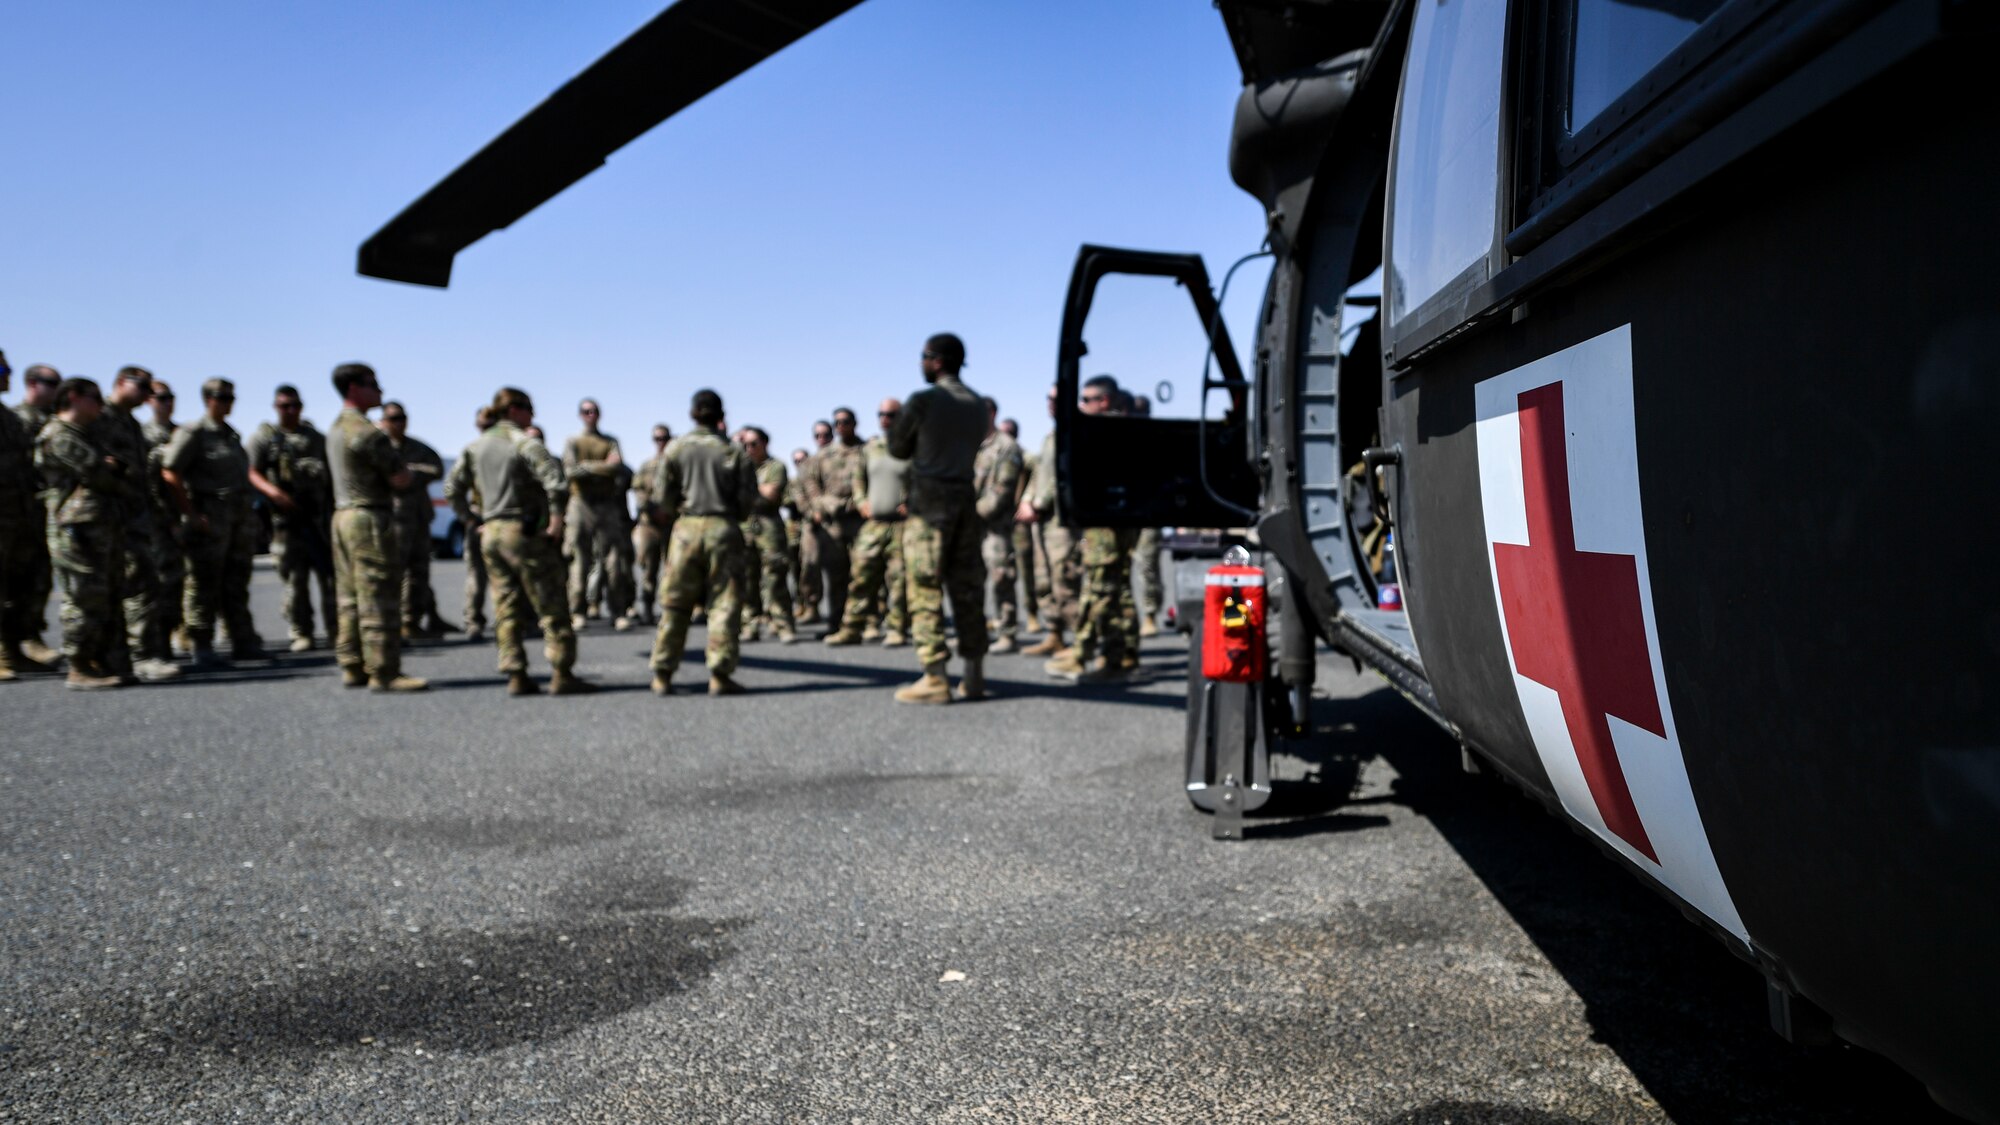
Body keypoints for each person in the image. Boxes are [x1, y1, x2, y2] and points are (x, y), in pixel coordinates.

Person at [452, 388, 594, 695]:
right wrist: (556, 520)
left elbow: (453, 488)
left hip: (491, 532)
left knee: (506, 604)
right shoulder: (523, 443)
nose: (533, 415)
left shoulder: (476, 446)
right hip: (523, 532)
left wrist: (472, 520)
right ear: (514, 410)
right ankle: (561, 672)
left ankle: (515, 672)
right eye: (529, 408)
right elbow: (556, 481)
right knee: (551, 602)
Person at [887, 333, 988, 704]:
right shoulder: (977, 404)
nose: (921, 363)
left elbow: (898, 448)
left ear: (937, 360)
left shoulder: (925, 400)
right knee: (968, 591)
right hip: (965, 501)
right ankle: (974, 675)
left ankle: (934, 677)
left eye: (924, 357)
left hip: (930, 505)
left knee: (925, 589)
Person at [648, 389, 755, 697]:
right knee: (724, 603)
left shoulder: (675, 449)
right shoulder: (734, 452)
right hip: (723, 529)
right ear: (721, 416)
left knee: (676, 603)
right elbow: (746, 503)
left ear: (693, 413)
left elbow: (663, 499)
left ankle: (663, 672)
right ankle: (720, 675)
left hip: (686, 530)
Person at [325, 364, 425, 693]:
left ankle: (352, 663)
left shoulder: (336, 428)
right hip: (368, 516)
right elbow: (400, 478)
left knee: (349, 595)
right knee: (378, 593)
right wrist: (412, 475)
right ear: (354, 388)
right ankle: (384, 670)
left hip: (342, 515)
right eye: (373, 385)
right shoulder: (368, 433)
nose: (380, 391)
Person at [34, 377, 129, 690]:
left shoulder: (84, 434)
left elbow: (113, 469)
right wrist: (108, 467)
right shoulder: (58, 435)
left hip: (98, 527)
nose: (100, 405)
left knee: (105, 594)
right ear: (72, 397)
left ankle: (98, 660)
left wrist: (111, 466)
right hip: (74, 531)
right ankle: (78, 666)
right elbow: (98, 473)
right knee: (82, 596)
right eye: (94, 398)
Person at [162, 378, 263, 663]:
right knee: (204, 584)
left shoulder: (229, 434)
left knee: (236, 582)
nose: (228, 402)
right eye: (221, 397)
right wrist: (190, 513)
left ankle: (243, 641)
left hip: (237, 519)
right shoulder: (193, 432)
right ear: (208, 399)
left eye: (231, 397)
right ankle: (201, 643)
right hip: (210, 517)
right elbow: (170, 472)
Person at [1046, 375, 1139, 684]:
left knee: (1099, 590)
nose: (1080, 406)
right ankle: (1122, 654)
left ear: (1104, 402)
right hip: (1113, 523)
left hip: (1106, 526)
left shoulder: (1106, 432)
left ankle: (1085, 655)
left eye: (1086, 400)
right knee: (1116, 591)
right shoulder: (1125, 430)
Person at [97, 367, 180, 681]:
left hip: (138, 517)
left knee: (144, 584)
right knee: (136, 586)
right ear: (120, 383)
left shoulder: (129, 423)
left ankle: (131, 655)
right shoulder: (101, 419)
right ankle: (141, 656)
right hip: (115, 518)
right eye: (142, 387)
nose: (148, 395)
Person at [246, 384, 335, 652]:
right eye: (285, 406)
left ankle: (336, 630)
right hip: (285, 522)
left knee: (329, 579)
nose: (291, 411)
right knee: (295, 582)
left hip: (317, 519)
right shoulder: (264, 439)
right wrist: (275, 493)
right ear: (276, 408)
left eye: (295, 405)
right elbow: (250, 471)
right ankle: (301, 631)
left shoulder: (316, 439)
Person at [824, 399, 910, 647]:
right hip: (873, 524)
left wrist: (913, 502)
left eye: (891, 415)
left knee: (899, 580)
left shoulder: (912, 447)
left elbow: (924, 480)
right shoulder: (871, 449)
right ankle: (851, 628)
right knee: (860, 576)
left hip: (901, 525)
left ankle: (896, 629)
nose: (885, 419)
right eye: (881, 414)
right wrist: (861, 501)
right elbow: (858, 481)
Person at [378, 401, 451, 638]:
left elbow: (437, 468)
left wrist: (413, 473)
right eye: (394, 418)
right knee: (394, 573)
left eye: (402, 418)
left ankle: (413, 621)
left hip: (418, 518)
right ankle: (393, 622)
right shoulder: (379, 447)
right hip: (391, 519)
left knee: (419, 571)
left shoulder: (417, 447)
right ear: (384, 421)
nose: (399, 423)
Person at [562, 398, 635, 631]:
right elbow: (571, 471)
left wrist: (589, 467)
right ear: (580, 414)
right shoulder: (573, 441)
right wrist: (601, 467)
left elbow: (617, 467)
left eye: (594, 411)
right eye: (586, 411)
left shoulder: (610, 441)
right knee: (579, 561)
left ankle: (618, 611)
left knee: (614, 561)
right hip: (581, 504)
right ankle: (577, 611)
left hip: (607, 505)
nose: (590, 414)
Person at [0, 352, 50, 680]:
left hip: (18, 514)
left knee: (18, 583)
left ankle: (14, 648)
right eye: (3, 369)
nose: (8, 375)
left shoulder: (10, 419)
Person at [1019, 385, 1079, 657]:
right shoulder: (1049, 437)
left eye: (1057, 399)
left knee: (1066, 579)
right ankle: (1054, 634)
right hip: (1043, 521)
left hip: (1062, 522)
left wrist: (1039, 503)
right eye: (1049, 399)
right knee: (1043, 581)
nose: (1051, 404)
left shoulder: (1073, 433)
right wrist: (1028, 499)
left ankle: (1080, 641)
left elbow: (1061, 478)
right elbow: (1039, 475)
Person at [13, 364, 62, 667]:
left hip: (42, 511)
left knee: (39, 578)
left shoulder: (54, 420)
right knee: (11, 579)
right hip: (14, 510)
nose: (56, 387)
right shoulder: (16, 419)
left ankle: (30, 636)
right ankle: (10, 645)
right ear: (32, 383)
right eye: (50, 382)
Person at [800, 409, 865, 633]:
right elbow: (810, 484)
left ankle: (867, 621)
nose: (841, 426)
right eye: (837, 422)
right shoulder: (824, 456)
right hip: (833, 523)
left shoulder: (866, 452)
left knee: (864, 573)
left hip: (860, 521)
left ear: (855, 423)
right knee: (836, 576)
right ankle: (836, 622)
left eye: (845, 421)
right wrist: (822, 505)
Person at [972, 396, 1025, 653]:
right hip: (973, 527)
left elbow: (1000, 494)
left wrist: (969, 512)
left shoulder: (1006, 447)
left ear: (991, 413)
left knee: (1001, 577)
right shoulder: (972, 444)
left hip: (996, 527)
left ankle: (1007, 633)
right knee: (972, 580)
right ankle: (975, 631)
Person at [736, 426, 798, 644]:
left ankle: (783, 625)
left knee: (775, 578)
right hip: (745, 527)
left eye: (754, 444)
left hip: (769, 526)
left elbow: (771, 494)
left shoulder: (775, 466)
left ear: (764, 444)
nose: (749, 448)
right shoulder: (741, 467)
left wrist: (745, 489)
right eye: (745, 445)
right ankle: (750, 624)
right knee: (747, 579)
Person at [142, 379, 188, 655]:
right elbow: (149, 483)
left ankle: (180, 630)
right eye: (161, 398)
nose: (167, 403)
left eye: (170, 397)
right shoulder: (143, 435)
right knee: (161, 579)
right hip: (159, 521)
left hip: (184, 516)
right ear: (149, 401)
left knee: (183, 578)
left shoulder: (181, 433)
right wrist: (164, 517)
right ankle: (159, 638)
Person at [446, 406, 497, 641]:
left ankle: (511, 622)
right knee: (477, 575)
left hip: (501, 517)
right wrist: (468, 517)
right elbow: (453, 488)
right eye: (483, 425)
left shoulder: (506, 449)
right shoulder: (474, 452)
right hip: (482, 516)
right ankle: (474, 621)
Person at [1128, 394, 1163, 636]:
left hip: (1150, 513)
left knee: (1147, 563)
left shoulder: (1156, 437)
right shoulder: (1125, 437)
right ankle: (1129, 617)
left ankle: (1150, 614)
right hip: (1127, 512)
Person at [630, 424, 672, 625]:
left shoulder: (676, 464)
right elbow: (638, 493)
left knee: (672, 569)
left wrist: (669, 511)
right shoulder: (647, 466)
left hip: (672, 524)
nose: (661, 442)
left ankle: (670, 610)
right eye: (657, 438)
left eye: (664, 438)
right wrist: (653, 510)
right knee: (648, 568)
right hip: (650, 524)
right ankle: (646, 607)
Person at [1006, 419, 1041, 634]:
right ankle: (1004, 616)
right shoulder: (994, 454)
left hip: (1018, 523)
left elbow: (1038, 472)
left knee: (1026, 570)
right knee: (999, 571)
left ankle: (1031, 614)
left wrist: (1027, 499)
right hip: (997, 522)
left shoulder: (1024, 456)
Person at [786, 444, 816, 621]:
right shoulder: (792, 483)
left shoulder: (813, 480)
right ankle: (800, 603)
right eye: (796, 461)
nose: (799, 463)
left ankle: (812, 605)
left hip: (811, 528)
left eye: (802, 460)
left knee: (809, 568)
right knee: (795, 569)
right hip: (793, 530)